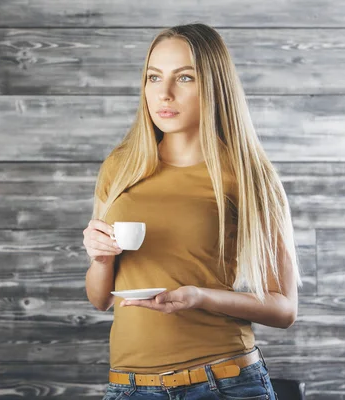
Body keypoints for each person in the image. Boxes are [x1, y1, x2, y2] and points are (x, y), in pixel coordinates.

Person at [83, 23, 302, 400]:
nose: (164, 94)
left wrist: (200, 297)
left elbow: (283, 309)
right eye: (154, 77)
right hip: (129, 388)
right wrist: (101, 260)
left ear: (214, 86)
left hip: (223, 383)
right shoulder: (120, 167)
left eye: (184, 78)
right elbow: (101, 300)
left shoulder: (248, 175)